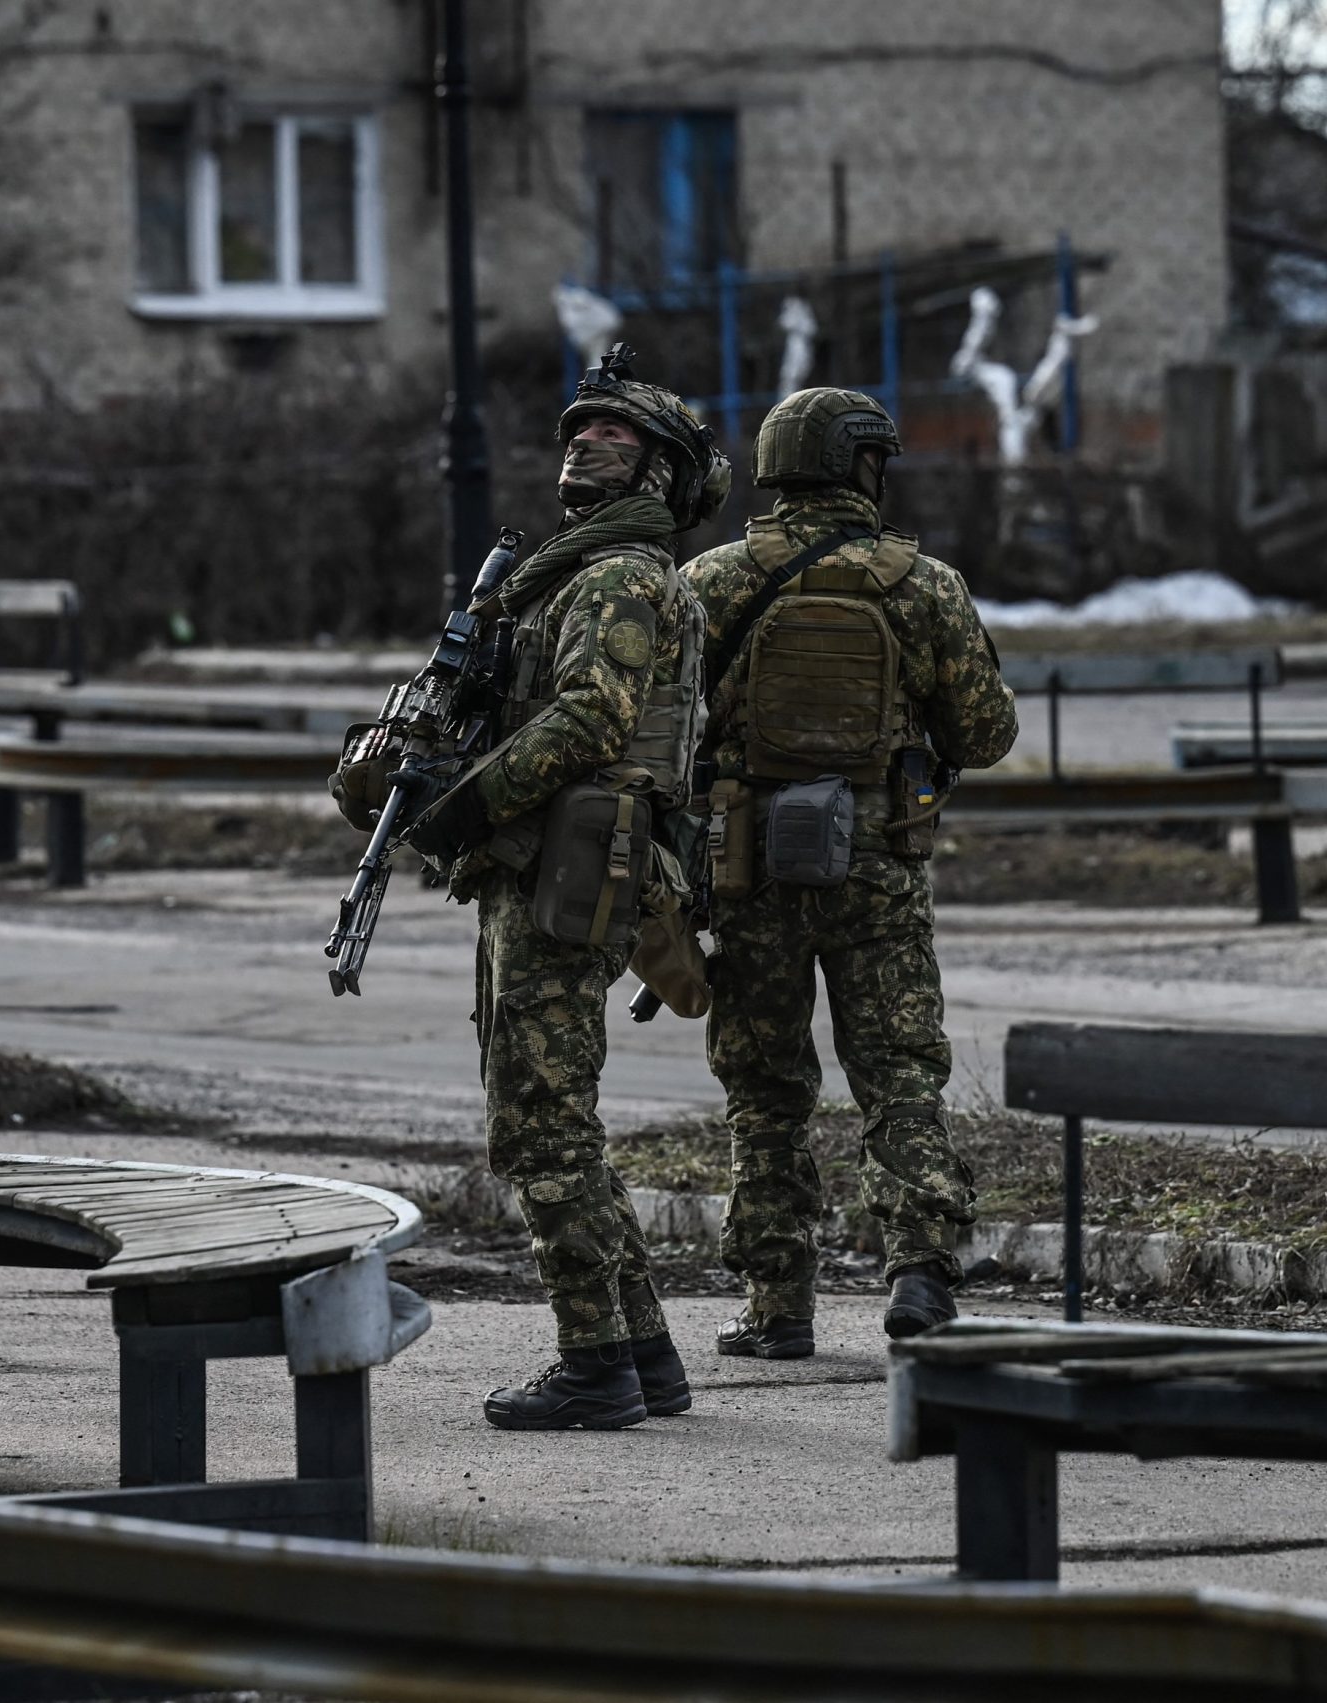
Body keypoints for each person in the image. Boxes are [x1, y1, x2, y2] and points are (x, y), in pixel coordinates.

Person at [403, 347, 728, 1429]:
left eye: (614, 433)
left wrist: (465, 807)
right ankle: (641, 1352)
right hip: (540, 862)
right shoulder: (566, 571)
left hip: (575, 866)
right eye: (578, 428)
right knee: (554, 1120)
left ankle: (593, 1365)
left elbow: (591, 719)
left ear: (656, 474)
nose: (583, 439)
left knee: (539, 1124)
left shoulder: (622, 574)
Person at [681, 387, 1018, 1358]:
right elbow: (985, 733)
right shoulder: (921, 584)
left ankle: (776, 1303)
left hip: (746, 869)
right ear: (866, 466)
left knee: (764, 1088)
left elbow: (662, 730)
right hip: (878, 866)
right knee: (899, 1075)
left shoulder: (711, 581)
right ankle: (920, 1270)